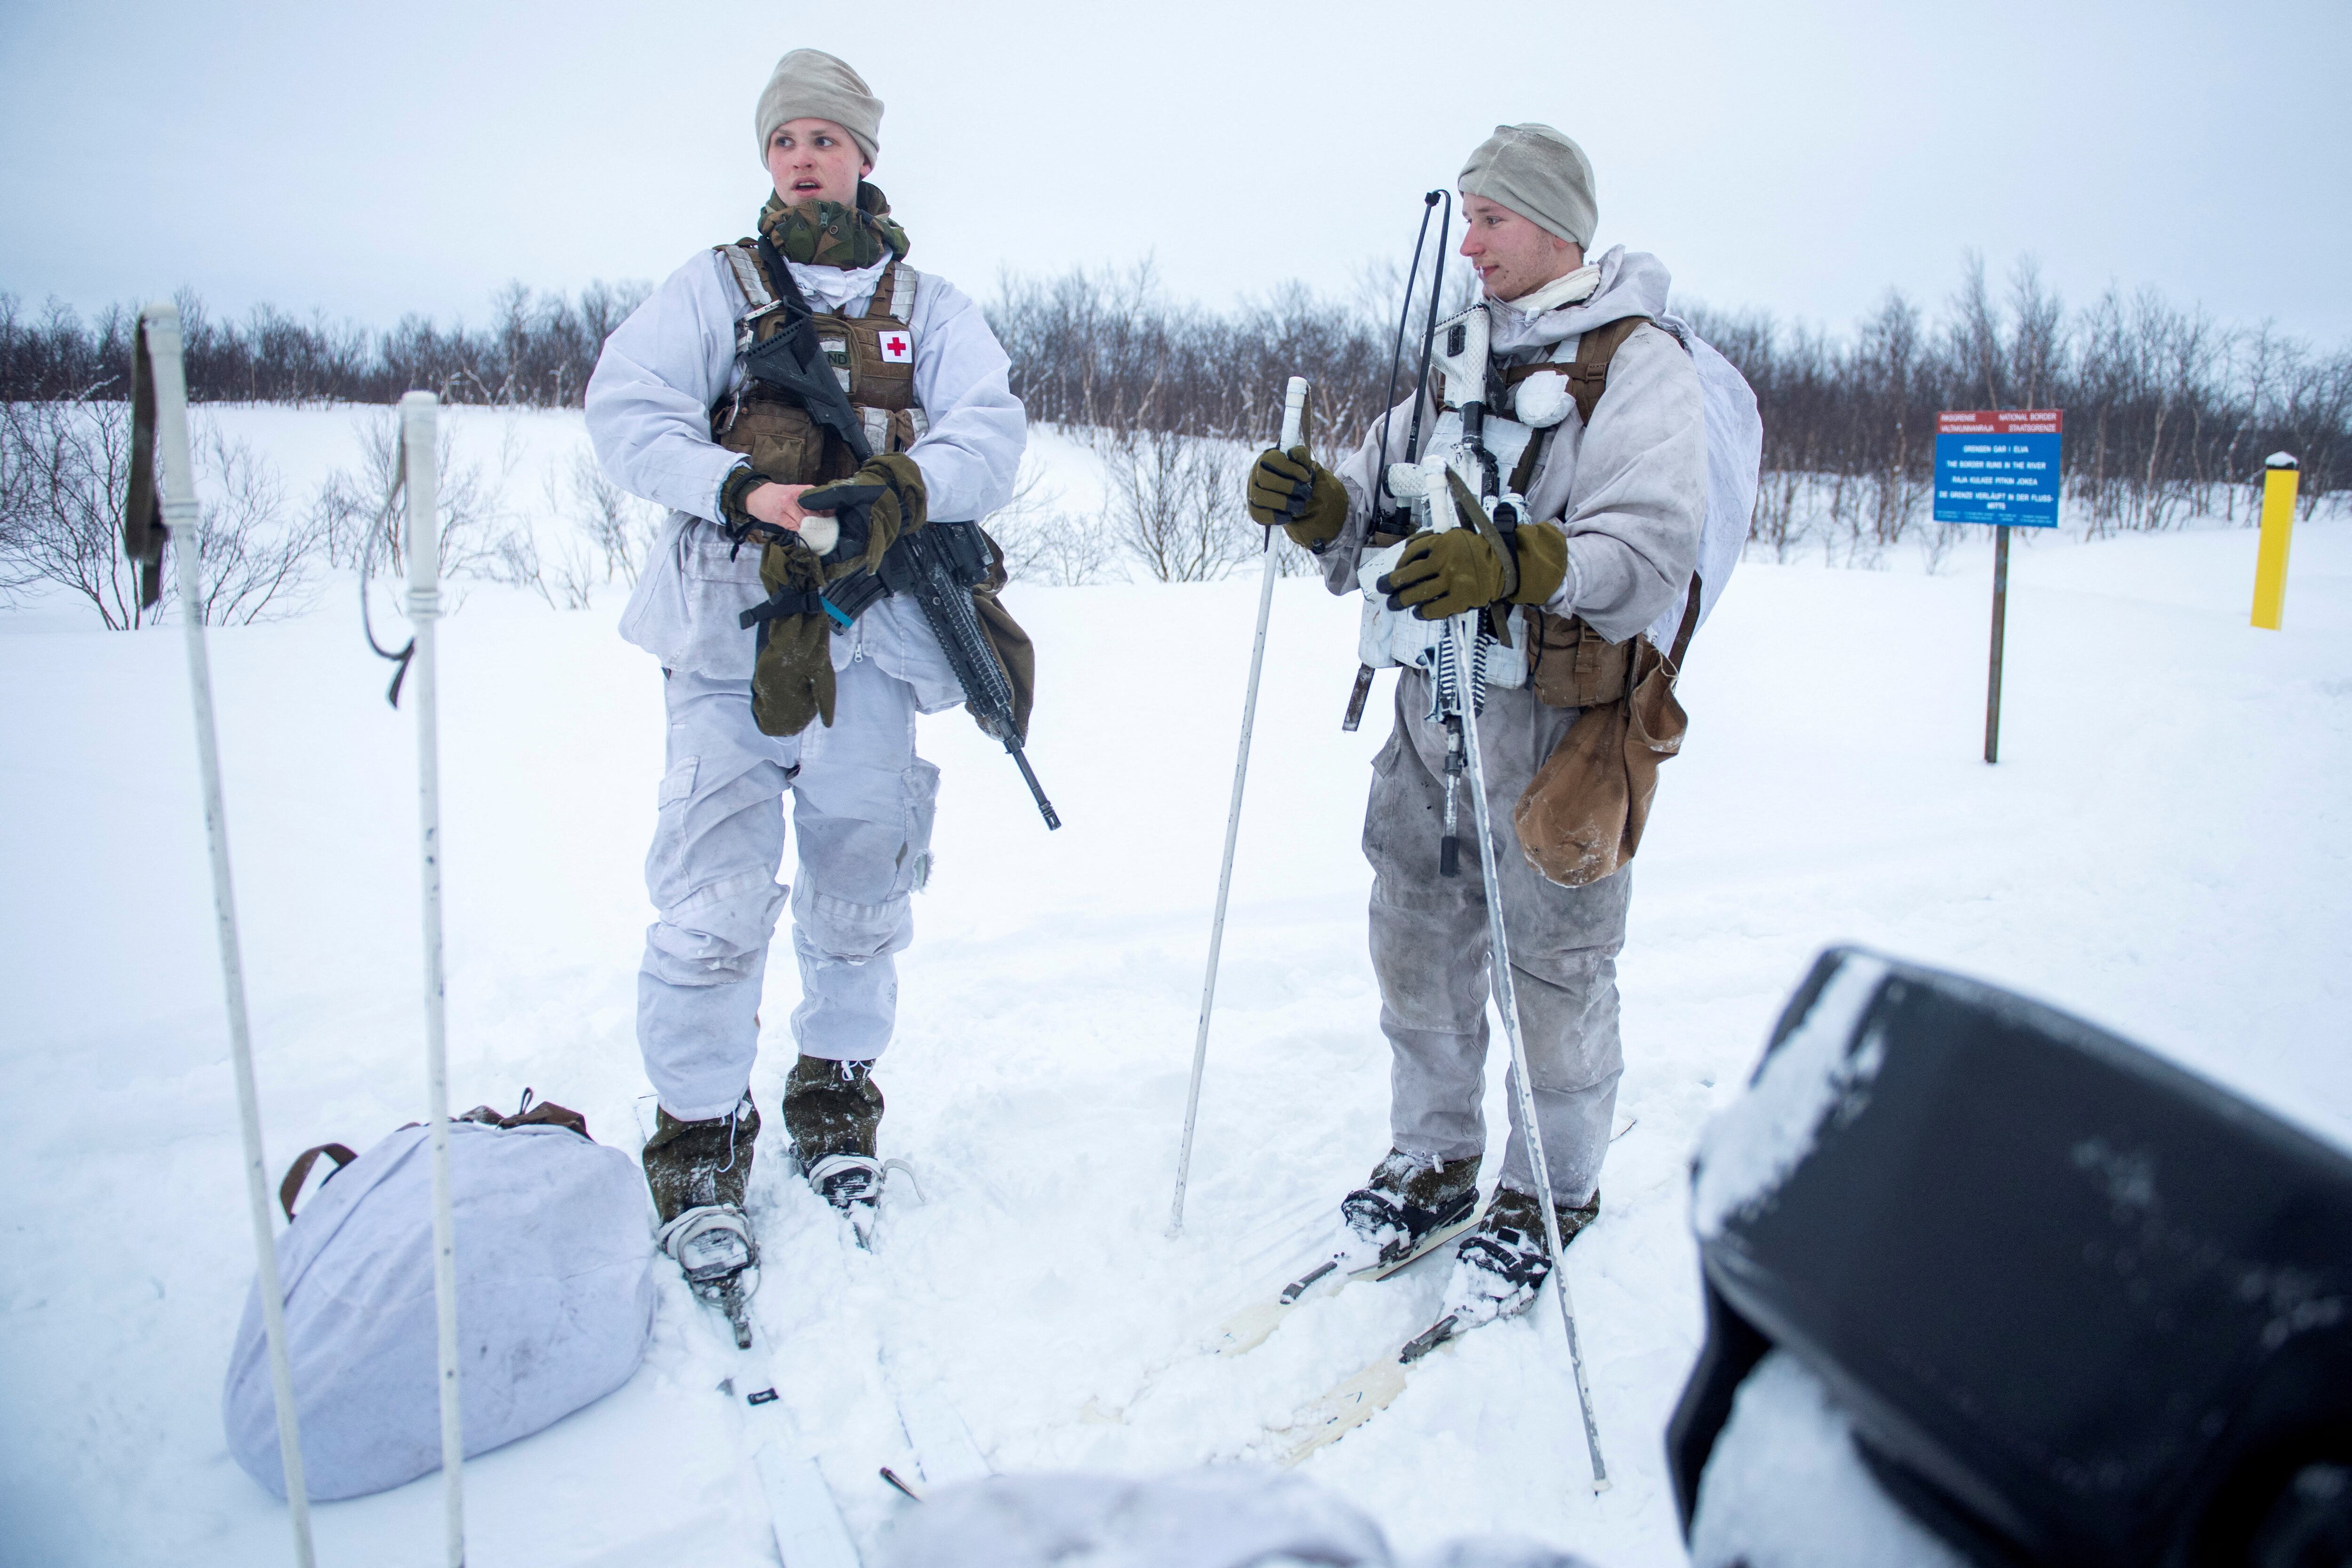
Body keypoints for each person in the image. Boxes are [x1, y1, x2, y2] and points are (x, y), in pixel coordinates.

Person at [1243, 124, 1708, 1325]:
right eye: (1463, 215)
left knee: (1552, 968)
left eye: (1490, 217)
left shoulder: (1633, 364)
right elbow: (1378, 540)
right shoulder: (1454, 359)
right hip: (1426, 720)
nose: (1470, 239)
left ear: (1555, 223)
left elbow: (1653, 547)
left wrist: (1516, 556)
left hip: (1555, 729)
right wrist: (1323, 508)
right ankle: (1435, 1154)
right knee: (1415, 940)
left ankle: (1551, 1190)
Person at [585, 49, 1025, 1276]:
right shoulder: (714, 289)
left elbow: (991, 431)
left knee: (858, 887)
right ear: (767, 158)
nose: (803, 158)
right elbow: (628, 411)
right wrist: (739, 488)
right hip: (729, 628)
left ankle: (835, 1103)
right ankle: (697, 1136)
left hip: (872, 632)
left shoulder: (927, 305)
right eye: (786, 142)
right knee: (714, 899)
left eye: (825, 140)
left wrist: (904, 484)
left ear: (863, 155)